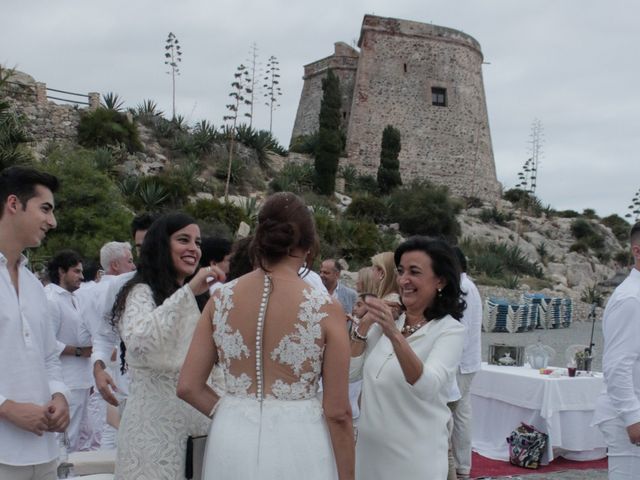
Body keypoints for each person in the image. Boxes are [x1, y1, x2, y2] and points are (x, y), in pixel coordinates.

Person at [177, 192, 355, 480]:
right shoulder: (325, 307)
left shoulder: (221, 299)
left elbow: (188, 386)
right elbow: (338, 412)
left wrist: (233, 412)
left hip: (231, 437)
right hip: (300, 440)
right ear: (308, 246)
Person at [110, 212, 223, 479]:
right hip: (153, 432)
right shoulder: (140, 291)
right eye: (184, 240)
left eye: (197, 242)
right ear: (162, 244)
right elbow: (140, 343)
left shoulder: (198, 299)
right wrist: (187, 293)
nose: (193, 249)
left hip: (194, 429)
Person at [350, 236, 466, 479]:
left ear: (440, 281)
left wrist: (393, 333)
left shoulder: (449, 331)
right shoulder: (393, 319)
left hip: (413, 462)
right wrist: (366, 323)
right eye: (401, 271)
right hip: (368, 457)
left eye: (414, 272)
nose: (403, 280)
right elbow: (351, 372)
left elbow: (427, 386)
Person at [0, 166, 70, 479]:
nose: (51, 222)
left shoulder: (33, 285)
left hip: (44, 451)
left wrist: (59, 395)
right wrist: (6, 407)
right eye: (45, 209)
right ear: (13, 204)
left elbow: (48, 358)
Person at [92, 214, 157, 408]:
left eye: (151, 244)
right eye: (139, 247)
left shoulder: (188, 285)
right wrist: (98, 368)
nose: (145, 252)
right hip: (132, 391)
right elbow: (104, 334)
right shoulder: (120, 285)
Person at [593, 221, 640, 479]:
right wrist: (633, 418)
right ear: (637, 251)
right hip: (629, 416)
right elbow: (617, 364)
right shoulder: (631, 299)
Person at [45, 250, 93, 453]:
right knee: (64, 439)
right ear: (61, 272)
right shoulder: (51, 299)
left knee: (81, 438)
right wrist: (79, 352)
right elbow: (47, 341)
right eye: (76, 271)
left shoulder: (74, 298)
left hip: (81, 379)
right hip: (65, 382)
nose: (81, 277)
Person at [449, 246, 483, 480]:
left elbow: (462, 328)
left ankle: (455, 465)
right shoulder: (470, 286)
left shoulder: (463, 288)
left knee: (451, 414)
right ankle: (463, 467)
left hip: (460, 363)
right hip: (468, 362)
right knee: (462, 414)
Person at [370, 251, 402, 316]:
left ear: (381, 273)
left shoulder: (390, 303)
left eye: (373, 270)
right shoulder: (390, 299)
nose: (371, 274)